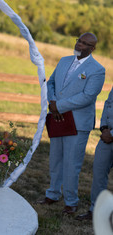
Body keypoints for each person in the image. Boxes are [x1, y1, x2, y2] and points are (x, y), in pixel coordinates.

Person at [37, 32, 105, 214]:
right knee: (55, 159)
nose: (80, 45)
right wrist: (52, 103)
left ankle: (71, 201)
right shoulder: (64, 60)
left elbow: (88, 96)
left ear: (93, 48)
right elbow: (50, 83)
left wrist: (59, 105)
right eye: (79, 41)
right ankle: (52, 194)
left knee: (71, 164)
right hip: (57, 117)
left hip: (77, 122)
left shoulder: (97, 69)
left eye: (85, 43)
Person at [75, 87, 113, 221]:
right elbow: (108, 104)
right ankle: (95, 210)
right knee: (99, 173)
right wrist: (103, 128)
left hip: (111, 135)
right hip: (106, 137)